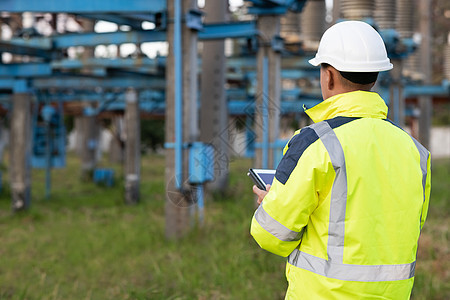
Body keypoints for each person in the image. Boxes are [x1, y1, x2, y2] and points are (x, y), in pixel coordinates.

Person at [250, 20, 431, 299]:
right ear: (375, 76)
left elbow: (272, 235)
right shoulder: (415, 151)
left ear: (329, 76)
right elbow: (407, 225)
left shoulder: (315, 143)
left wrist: (271, 204)